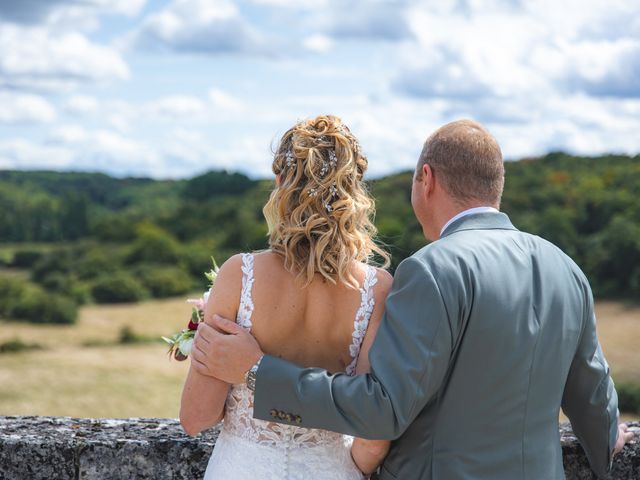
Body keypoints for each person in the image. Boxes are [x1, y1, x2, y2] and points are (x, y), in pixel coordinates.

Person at [195, 119, 635, 479]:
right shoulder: (566, 269)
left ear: (426, 179)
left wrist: (255, 370)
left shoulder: (432, 268)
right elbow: (592, 393)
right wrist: (604, 444)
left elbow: (382, 410)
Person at [180, 115, 394, 479]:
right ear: (354, 193)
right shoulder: (377, 288)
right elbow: (372, 435)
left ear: (280, 184)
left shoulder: (238, 275)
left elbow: (196, 417)